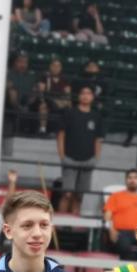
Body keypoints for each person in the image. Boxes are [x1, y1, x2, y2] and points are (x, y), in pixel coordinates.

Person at [57, 85, 103, 215]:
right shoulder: (70, 113)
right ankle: (60, 226)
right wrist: (62, 155)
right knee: (67, 194)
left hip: (88, 160)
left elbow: (98, 139)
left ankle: (73, 227)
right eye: (83, 93)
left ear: (92, 97)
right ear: (79, 96)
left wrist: (96, 158)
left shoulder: (96, 116)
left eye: (88, 93)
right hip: (69, 158)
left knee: (79, 196)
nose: (85, 96)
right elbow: (61, 135)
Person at [103, 169, 137, 259]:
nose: (132, 180)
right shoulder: (115, 196)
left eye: (135, 178)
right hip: (121, 232)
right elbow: (107, 215)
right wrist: (111, 229)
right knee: (125, 247)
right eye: (130, 178)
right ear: (126, 180)